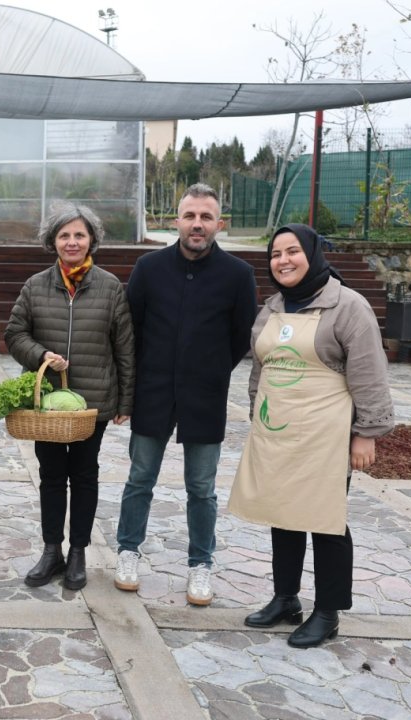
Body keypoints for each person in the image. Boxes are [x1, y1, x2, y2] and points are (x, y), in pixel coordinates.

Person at [229, 223, 394, 648]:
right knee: (282, 512)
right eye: (275, 254)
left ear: (313, 254)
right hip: (277, 431)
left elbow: (370, 374)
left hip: (326, 434)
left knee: (325, 519)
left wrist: (367, 433)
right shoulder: (273, 308)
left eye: (292, 251)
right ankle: (286, 599)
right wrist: (257, 414)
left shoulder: (347, 306)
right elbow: (261, 368)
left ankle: (327, 612)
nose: (283, 261)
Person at [114, 182, 257, 606]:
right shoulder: (149, 268)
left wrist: (210, 370)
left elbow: (241, 337)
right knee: (140, 478)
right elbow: (132, 328)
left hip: (205, 396)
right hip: (153, 391)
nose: (197, 224)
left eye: (206, 217)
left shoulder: (238, 275)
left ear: (219, 224)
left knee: (202, 487)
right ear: (176, 221)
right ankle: (128, 551)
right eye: (190, 216)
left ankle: (201, 563)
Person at [5, 203, 135, 591]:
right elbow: (14, 334)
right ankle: (51, 551)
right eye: (64, 235)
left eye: (80, 234)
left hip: (92, 403)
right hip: (47, 404)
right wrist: (41, 355)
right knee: (50, 476)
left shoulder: (110, 287)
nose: (72, 242)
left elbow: (124, 347)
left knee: (83, 475)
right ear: (53, 241)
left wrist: (125, 401)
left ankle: (78, 551)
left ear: (92, 239)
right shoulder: (36, 286)